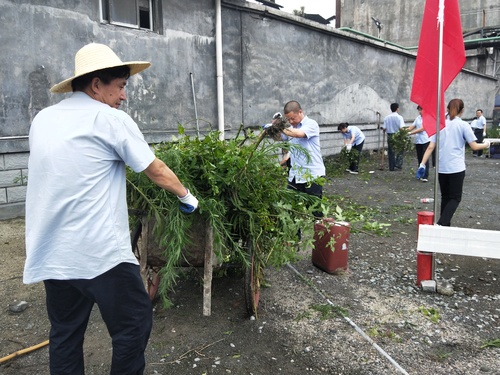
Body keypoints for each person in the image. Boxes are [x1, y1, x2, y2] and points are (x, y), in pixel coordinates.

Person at [24, 43, 199, 375]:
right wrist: (187, 197)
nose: (124, 96)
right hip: (98, 253)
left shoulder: (43, 120)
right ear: (96, 85)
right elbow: (156, 170)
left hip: (52, 252)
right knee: (134, 324)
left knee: (65, 334)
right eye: (120, 87)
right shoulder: (109, 119)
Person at [417, 98, 490, 226]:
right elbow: (474, 146)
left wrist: (422, 164)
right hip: (456, 167)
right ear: (462, 111)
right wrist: (486, 144)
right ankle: (442, 223)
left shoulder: (439, 124)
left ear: (447, 109)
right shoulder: (463, 125)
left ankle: (445, 224)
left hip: (441, 167)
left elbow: (430, 146)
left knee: (445, 196)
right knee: (455, 198)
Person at [280, 100, 325, 217]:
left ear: (300, 112)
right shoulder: (291, 128)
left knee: (315, 211)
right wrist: (270, 129)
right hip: (295, 174)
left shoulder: (311, 124)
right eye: (288, 119)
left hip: (312, 175)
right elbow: (281, 137)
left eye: (293, 118)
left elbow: (299, 134)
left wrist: (280, 127)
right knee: (291, 209)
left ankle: (321, 233)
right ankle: (295, 235)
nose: (291, 121)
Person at [407, 106, 430, 182]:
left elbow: (422, 128)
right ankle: (420, 173)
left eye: (421, 110)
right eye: (419, 110)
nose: (420, 112)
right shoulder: (418, 118)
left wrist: (410, 133)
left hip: (425, 140)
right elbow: (412, 126)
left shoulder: (427, 118)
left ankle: (425, 175)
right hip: (418, 141)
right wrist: (404, 130)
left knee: (425, 158)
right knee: (420, 157)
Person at [382, 102, 405, 171]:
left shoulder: (386, 118)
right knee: (401, 149)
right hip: (398, 135)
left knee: (391, 151)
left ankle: (391, 166)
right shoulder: (399, 117)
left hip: (390, 135)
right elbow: (401, 128)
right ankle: (398, 163)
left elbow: (384, 128)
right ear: (397, 109)